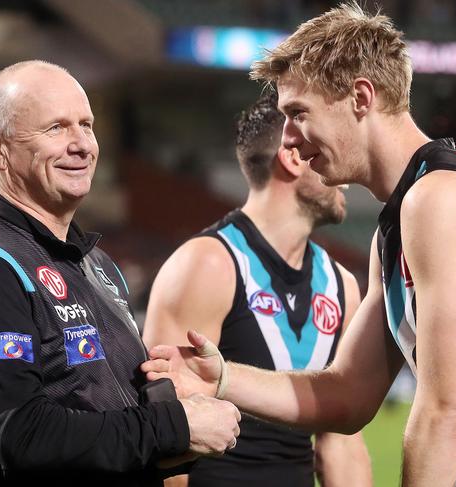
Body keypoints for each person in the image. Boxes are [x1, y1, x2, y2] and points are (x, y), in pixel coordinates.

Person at [141, 4, 456, 487]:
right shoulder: (410, 212)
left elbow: (447, 412)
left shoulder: (437, 200)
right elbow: (348, 395)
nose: (289, 139)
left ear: (360, 98)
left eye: (298, 113)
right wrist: (222, 378)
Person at [0, 60, 241, 487]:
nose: (82, 144)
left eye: (86, 125)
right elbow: (24, 437)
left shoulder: (97, 266)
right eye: (56, 128)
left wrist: (175, 398)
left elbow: (107, 424)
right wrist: (175, 426)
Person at [142, 92, 372, 487]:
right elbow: (165, 434)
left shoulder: (341, 286)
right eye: (331, 147)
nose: (346, 177)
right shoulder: (207, 265)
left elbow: (341, 444)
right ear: (294, 156)